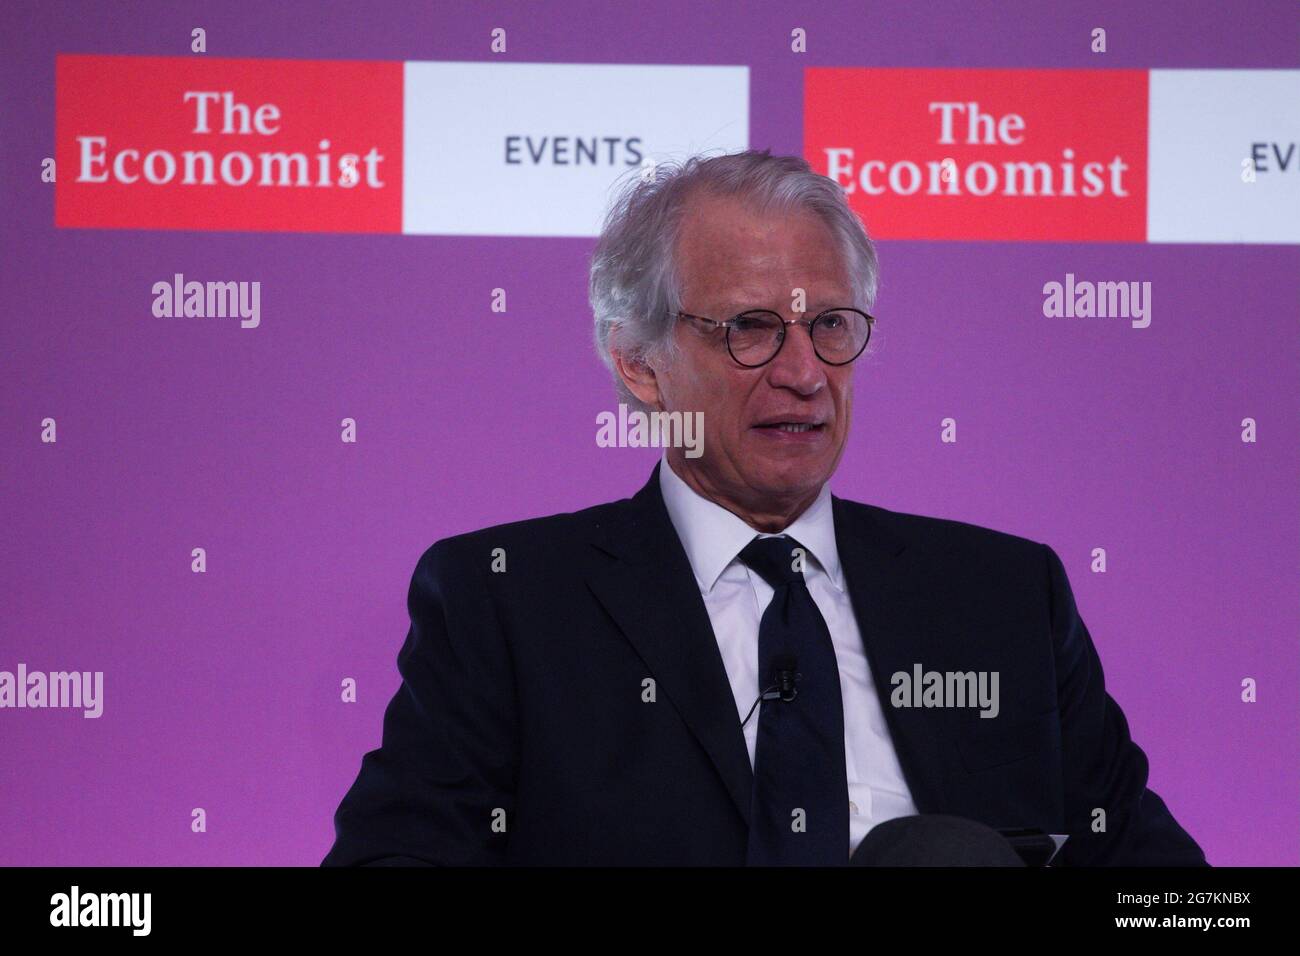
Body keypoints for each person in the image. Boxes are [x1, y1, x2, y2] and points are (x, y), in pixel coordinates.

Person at [322, 149, 1206, 866]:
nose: (805, 372)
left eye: (830, 324)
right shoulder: (509, 601)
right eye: (751, 327)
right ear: (639, 362)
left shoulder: (1002, 594)